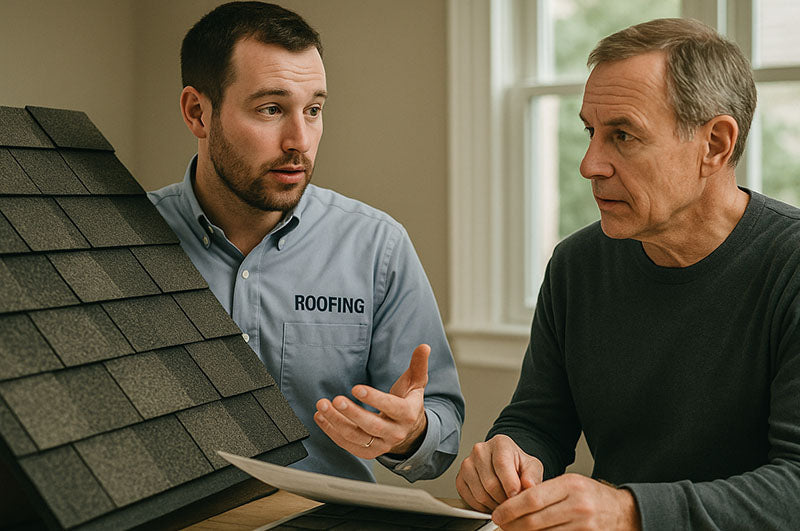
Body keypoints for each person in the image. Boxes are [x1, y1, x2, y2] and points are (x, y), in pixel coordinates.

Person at [456, 17, 800, 530]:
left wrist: (631, 512)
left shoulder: (789, 265)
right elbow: (539, 422)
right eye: (591, 132)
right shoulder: (577, 265)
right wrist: (510, 458)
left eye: (623, 135)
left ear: (715, 145)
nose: (590, 164)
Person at [148, 1, 464, 483]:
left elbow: (440, 429)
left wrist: (410, 432)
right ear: (198, 113)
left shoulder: (378, 246)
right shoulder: (122, 239)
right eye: (271, 109)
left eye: (313, 110)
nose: (300, 139)